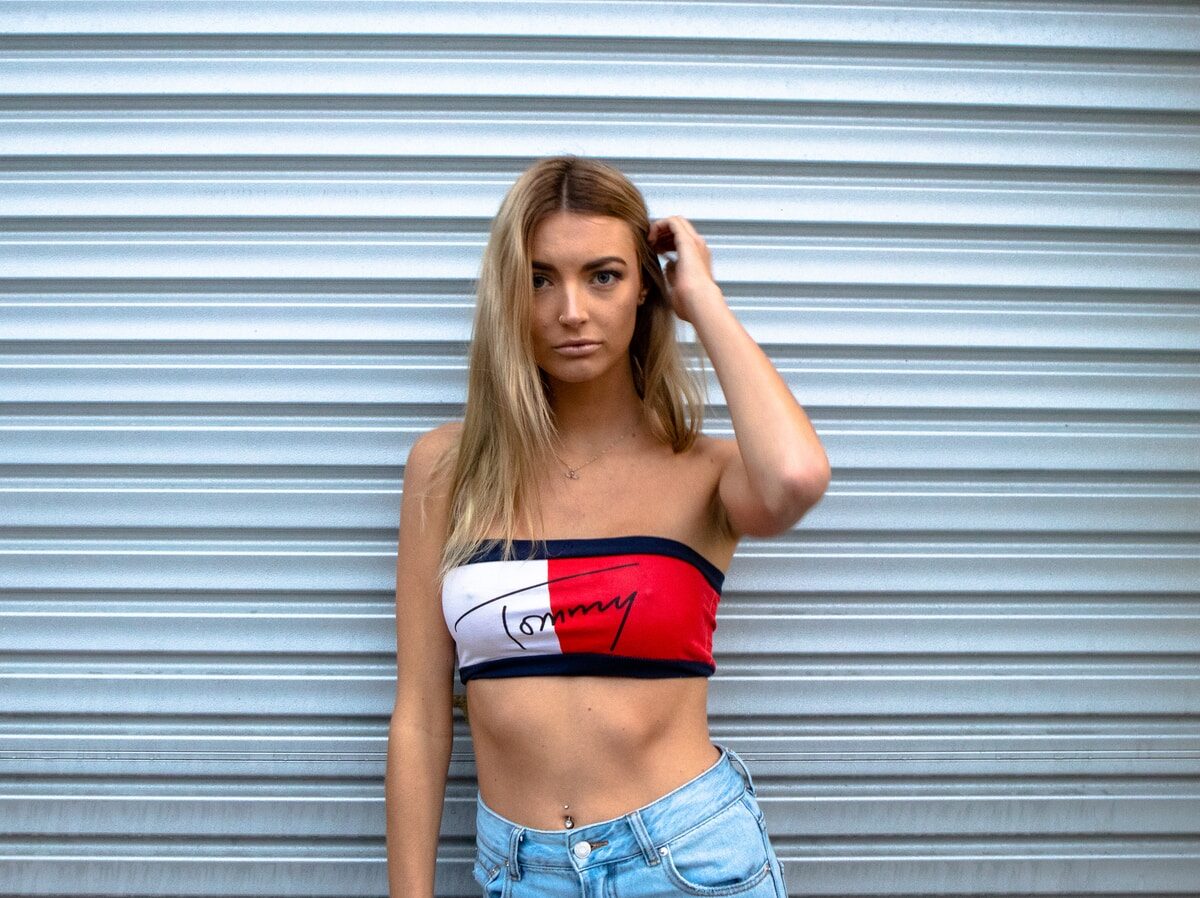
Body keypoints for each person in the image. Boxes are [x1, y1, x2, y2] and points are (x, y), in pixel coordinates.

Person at [385, 154, 830, 898]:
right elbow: (423, 714)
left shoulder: (704, 470)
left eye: (603, 276)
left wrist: (705, 299)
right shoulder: (446, 466)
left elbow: (795, 477)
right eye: (538, 279)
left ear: (645, 291)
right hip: (519, 873)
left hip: (688, 860)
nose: (571, 311)